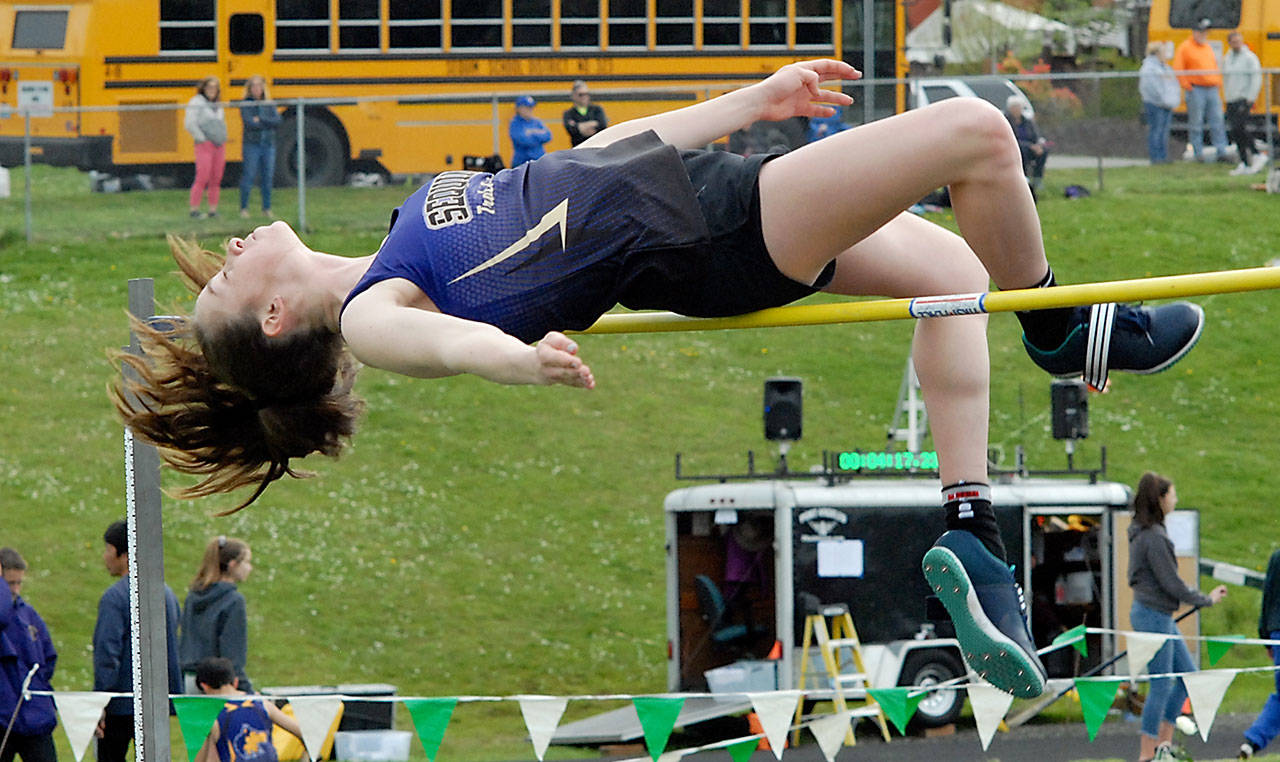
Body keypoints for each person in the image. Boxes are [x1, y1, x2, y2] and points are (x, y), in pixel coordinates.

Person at [113, 59, 1208, 699]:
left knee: (952, 275)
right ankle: (1064, 332)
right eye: (226, 279)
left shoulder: (410, 218)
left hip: (701, 186)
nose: (238, 238)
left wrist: (750, 98)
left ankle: (967, 532)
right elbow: (446, 349)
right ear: (269, 312)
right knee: (974, 133)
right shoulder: (373, 307)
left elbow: (596, 158)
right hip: (708, 232)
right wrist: (520, 359)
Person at [1127, 473, 1227, 762]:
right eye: (1173, 494)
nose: (1176, 499)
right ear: (1160, 499)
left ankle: (1163, 744)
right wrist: (1206, 599)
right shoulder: (1154, 538)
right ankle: (1147, 753)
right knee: (1160, 683)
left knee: (1187, 676)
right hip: (1152, 615)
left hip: (1159, 614)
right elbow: (1172, 583)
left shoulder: (1147, 533)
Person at [93, 521, 184, 762]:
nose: (105, 557)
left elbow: (107, 653)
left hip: (120, 704)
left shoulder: (114, 597)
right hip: (156, 702)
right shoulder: (167, 594)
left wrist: (99, 700)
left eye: (108, 550)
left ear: (123, 555)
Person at [0, 548, 57, 762]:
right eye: (9, 583)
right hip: (3, 715)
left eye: (19, 583)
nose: (15, 589)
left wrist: (40, 687)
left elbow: (49, 656)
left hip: (35, 714)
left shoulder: (29, 615)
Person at [179, 537, 255, 693]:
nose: (250, 568)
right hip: (219, 684)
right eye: (246, 562)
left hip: (190, 681)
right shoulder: (233, 601)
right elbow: (232, 653)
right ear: (233, 564)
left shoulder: (193, 597)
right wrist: (247, 691)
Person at [192, 657, 301, 762]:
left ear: (204, 686)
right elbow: (303, 732)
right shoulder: (261, 703)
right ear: (235, 682)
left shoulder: (212, 717)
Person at [1239, 548, 1280, 759]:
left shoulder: (1276, 556)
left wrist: (1265, 637)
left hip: (1276, 631)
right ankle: (1254, 740)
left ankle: (1253, 742)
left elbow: (1268, 597)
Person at [1172, 19, 1229, 163]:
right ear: (1195, 32)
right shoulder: (1185, 47)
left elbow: (1214, 66)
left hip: (1212, 89)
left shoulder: (1207, 47)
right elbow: (1178, 69)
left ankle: (1221, 151)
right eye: (1202, 31)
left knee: (1217, 120)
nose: (1204, 35)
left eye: (1206, 32)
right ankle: (1198, 153)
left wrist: (1218, 82)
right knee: (1196, 122)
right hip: (1196, 89)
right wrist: (1188, 86)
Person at [238, 75, 281, 219]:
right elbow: (250, 123)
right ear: (250, 89)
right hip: (252, 145)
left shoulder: (269, 104)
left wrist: (261, 120)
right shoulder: (246, 104)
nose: (257, 89)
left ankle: (266, 208)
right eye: (254, 86)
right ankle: (244, 208)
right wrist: (265, 123)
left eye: (259, 86)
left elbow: (277, 121)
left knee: (267, 177)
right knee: (249, 176)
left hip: (268, 144)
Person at [1223, 31, 1265, 176]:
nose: (1237, 44)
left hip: (1243, 98)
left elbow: (1256, 78)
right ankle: (1244, 162)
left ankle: (1256, 153)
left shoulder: (1249, 58)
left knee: (1240, 127)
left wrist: (1250, 97)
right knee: (1234, 131)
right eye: (1234, 42)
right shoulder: (1228, 58)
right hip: (1231, 99)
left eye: (1239, 41)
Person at [186, 76, 228, 218]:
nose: (212, 91)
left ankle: (212, 209)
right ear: (203, 88)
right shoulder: (197, 102)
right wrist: (201, 138)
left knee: (216, 177)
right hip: (204, 143)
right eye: (209, 87)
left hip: (218, 144)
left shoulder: (217, 105)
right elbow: (190, 123)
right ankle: (194, 209)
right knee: (202, 176)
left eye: (215, 88)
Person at [1139, 41, 1182, 164]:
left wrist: (1172, 99)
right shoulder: (1149, 68)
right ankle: (1156, 157)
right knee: (1156, 130)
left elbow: (1172, 84)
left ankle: (1163, 156)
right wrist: (1162, 99)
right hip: (1154, 103)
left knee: (1164, 131)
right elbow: (1152, 88)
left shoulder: (1165, 67)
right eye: (1163, 52)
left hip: (1166, 103)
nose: (1165, 55)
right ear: (1157, 53)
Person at [1004, 96, 1049, 197]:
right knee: (1022, 150)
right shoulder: (1006, 121)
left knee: (1044, 150)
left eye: (1019, 107)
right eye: (1014, 107)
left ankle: (1038, 178)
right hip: (1017, 147)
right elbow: (1011, 139)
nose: (1017, 110)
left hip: (1031, 147)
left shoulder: (1028, 122)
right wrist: (1030, 146)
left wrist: (1038, 145)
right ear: (1010, 108)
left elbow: (1036, 136)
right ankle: (1024, 178)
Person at [509, 96, 551, 167]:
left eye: (531, 107)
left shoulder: (537, 122)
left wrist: (532, 133)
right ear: (519, 108)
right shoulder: (515, 123)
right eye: (527, 107)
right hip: (522, 163)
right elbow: (524, 140)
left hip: (539, 162)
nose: (530, 110)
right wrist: (538, 134)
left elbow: (548, 136)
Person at [562, 80, 607, 147]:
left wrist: (579, 126)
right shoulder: (568, 113)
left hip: (596, 147)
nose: (584, 97)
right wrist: (593, 123)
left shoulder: (597, 109)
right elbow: (572, 131)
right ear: (573, 96)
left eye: (586, 94)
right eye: (581, 95)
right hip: (578, 148)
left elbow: (603, 125)